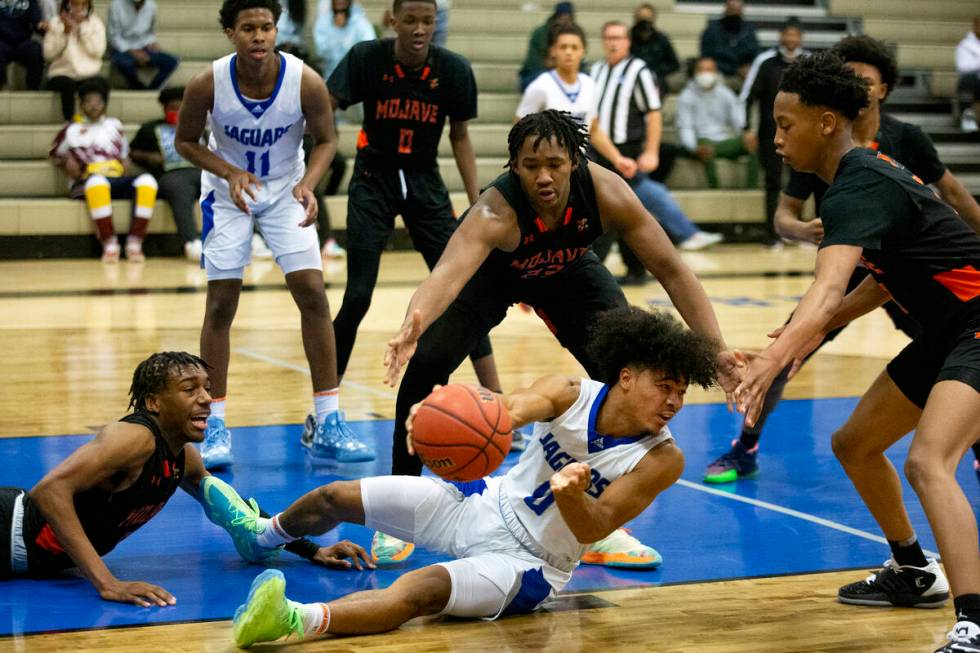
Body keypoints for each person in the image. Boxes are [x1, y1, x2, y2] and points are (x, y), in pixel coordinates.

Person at [376, 110, 741, 569]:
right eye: (530, 167)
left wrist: (718, 349)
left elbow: (671, 268)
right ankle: (397, 508)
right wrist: (415, 321)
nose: (543, 176)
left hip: (567, 271)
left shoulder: (606, 191)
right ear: (514, 167)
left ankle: (602, 527)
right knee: (427, 361)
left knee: (629, 371)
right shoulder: (496, 209)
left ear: (575, 160)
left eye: (554, 164)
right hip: (495, 276)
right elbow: (448, 273)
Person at [230, 306, 718, 646]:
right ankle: (262, 536)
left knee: (417, 593)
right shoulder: (571, 392)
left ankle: (292, 619)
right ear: (627, 377)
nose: (674, 402)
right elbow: (509, 409)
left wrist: (569, 494)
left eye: (681, 392)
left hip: (531, 564)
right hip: (482, 502)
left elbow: (594, 526)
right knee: (332, 496)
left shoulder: (661, 458)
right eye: (665, 387)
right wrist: (439, 411)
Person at [735, 51, 980, 653]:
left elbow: (825, 288)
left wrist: (774, 359)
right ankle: (912, 568)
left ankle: (974, 621)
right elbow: (883, 278)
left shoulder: (858, 184)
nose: (775, 139)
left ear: (825, 122)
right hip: (949, 331)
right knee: (855, 443)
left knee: (929, 461)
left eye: (786, 125)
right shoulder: (860, 178)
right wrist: (807, 334)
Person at [705, 35, 980, 484]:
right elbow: (786, 218)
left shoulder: (894, 147)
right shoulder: (817, 156)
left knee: (937, 432)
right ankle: (746, 445)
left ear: (882, 89)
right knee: (799, 345)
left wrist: (777, 352)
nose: (777, 138)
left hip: (928, 283)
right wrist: (803, 233)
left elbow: (948, 196)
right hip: (868, 268)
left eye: (866, 79)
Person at [0, 352, 372, 605]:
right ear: (153, 403)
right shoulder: (135, 438)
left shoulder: (182, 456)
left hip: (24, 557)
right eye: (190, 389)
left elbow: (233, 510)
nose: (207, 398)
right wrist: (106, 582)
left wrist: (312, 549)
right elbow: (49, 491)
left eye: (207, 387)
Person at [175, 0, 369, 468]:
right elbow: (185, 141)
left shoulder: (306, 80)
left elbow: (326, 140)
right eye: (248, 28)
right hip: (227, 194)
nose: (259, 36)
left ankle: (328, 421)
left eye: (266, 27)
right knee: (221, 303)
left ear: (277, 30)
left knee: (313, 294)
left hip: (286, 191)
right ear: (230, 33)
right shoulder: (208, 82)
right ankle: (214, 424)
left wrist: (308, 183)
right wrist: (228, 171)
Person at [323, 0, 502, 432]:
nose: (419, 28)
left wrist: (476, 198)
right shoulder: (367, 58)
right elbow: (324, 105)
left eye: (427, 20)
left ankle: (498, 407)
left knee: (464, 293)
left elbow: (460, 136)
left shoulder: (453, 70)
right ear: (393, 20)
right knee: (357, 296)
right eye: (410, 20)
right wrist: (314, 156)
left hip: (425, 182)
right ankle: (325, 413)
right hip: (373, 179)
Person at [588, 20, 723, 284]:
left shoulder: (639, 70)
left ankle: (597, 269)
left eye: (618, 37)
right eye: (608, 38)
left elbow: (653, 113)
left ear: (627, 42)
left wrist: (651, 151)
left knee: (615, 210)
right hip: (600, 149)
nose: (613, 42)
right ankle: (635, 268)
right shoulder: (596, 71)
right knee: (626, 209)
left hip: (627, 149)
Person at [49, 77, 159, 263]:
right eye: (88, 102)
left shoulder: (114, 125)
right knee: (97, 182)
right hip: (86, 180)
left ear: (105, 104)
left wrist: (125, 163)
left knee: (147, 181)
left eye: (98, 101)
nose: (93, 106)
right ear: (81, 104)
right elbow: (54, 154)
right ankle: (109, 243)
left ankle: (135, 242)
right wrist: (66, 161)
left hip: (115, 177)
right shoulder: (71, 128)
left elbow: (124, 154)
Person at [739, 17, 806, 247]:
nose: (791, 38)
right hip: (771, 133)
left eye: (795, 34)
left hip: (805, 134)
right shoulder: (765, 61)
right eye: (787, 34)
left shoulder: (809, 62)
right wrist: (747, 128)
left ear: (801, 38)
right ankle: (772, 234)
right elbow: (748, 97)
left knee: (805, 180)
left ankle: (803, 232)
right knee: (773, 182)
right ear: (781, 36)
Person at [130, 86, 203, 262]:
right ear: (164, 109)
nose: (177, 112)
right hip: (171, 174)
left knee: (230, 185)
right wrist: (150, 157)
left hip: (202, 171)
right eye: (172, 108)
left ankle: (251, 240)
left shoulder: (200, 125)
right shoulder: (150, 128)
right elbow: (132, 152)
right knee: (180, 189)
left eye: (181, 107)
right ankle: (191, 243)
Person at [677, 57, 758, 190]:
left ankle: (751, 190)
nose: (705, 74)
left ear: (716, 72)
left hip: (724, 140)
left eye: (709, 70)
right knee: (705, 147)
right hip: (702, 141)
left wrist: (746, 135)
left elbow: (738, 120)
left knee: (753, 141)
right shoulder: (686, 96)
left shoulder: (725, 94)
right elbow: (686, 128)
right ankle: (716, 190)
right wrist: (693, 147)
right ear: (695, 72)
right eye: (701, 70)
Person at [43, 0, 106, 122]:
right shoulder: (55, 22)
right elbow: (48, 54)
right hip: (61, 73)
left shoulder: (96, 23)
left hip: (88, 73)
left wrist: (81, 31)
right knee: (67, 84)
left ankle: (99, 121)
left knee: (101, 84)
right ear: (68, 5)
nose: (79, 8)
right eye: (76, 4)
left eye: (83, 4)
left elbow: (98, 51)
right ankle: (70, 122)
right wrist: (65, 34)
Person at [107, 0, 179, 90]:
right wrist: (133, 52)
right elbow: (113, 36)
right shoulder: (116, 5)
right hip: (122, 49)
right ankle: (138, 88)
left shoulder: (152, 5)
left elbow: (150, 33)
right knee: (124, 64)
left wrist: (152, 43)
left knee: (172, 61)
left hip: (144, 47)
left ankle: (152, 89)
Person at [517, 1, 574, 92]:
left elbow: (580, 65)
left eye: (567, 19)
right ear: (555, 18)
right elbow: (532, 64)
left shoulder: (574, 35)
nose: (563, 23)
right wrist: (550, 66)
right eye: (561, 18)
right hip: (537, 75)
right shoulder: (540, 34)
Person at [313, 0, 375, 81]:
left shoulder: (360, 23)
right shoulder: (323, 22)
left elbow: (369, 48)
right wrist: (336, 30)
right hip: (330, 77)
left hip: (355, 78)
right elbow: (321, 51)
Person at [698, 0, 757, 81]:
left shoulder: (748, 30)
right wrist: (735, 70)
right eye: (732, 10)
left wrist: (749, 68)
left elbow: (756, 53)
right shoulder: (712, 30)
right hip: (720, 74)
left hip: (744, 76)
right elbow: (706, 58)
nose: (735, 15)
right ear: (726, 10)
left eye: (738, 11)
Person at [629, 3, 678, 99]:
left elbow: (674, 64)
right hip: (631, 77)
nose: (644, 21)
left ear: (654, 19)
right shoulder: (627, 38)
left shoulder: (662, 39)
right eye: (641, 17)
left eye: (647, 17)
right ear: (635, 18)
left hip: (655, 77)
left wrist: (657, 70)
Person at [0, 0, 45, 90]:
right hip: (2, 41)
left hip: (22, 42)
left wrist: (42, 26)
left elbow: (37, 21)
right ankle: (1, 86)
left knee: (35, 49)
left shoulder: (30, 2)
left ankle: (33, 89)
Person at [956, 16, 980, 132]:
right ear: (975, 26)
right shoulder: (965, 45)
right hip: (975, 82)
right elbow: (963, 67)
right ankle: (967, 116)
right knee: (967, 79)